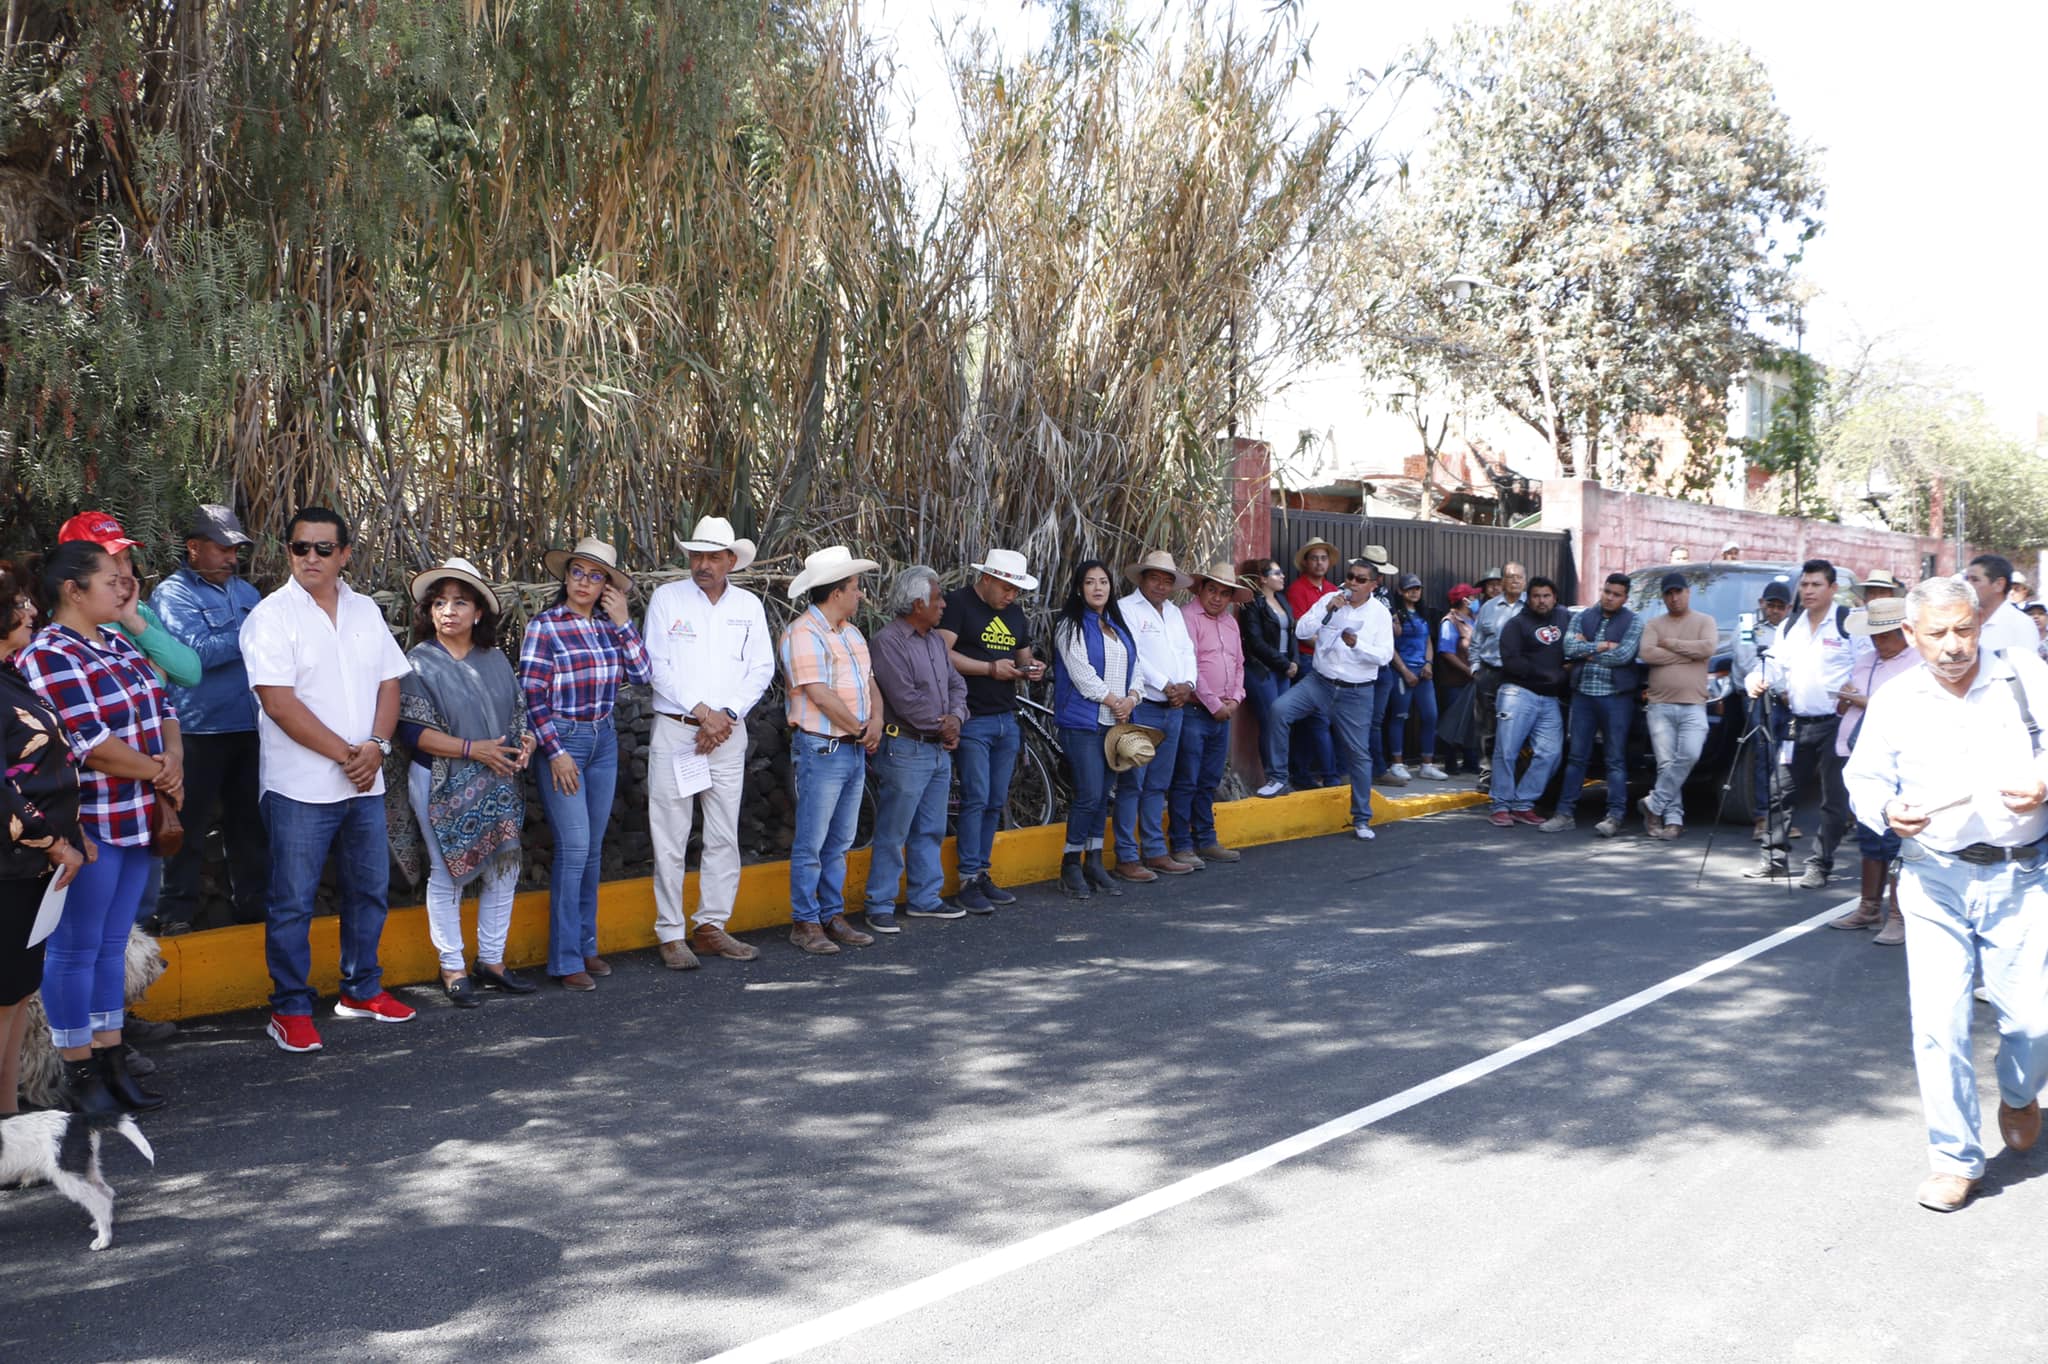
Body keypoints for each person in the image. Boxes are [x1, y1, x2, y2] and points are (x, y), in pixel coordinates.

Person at [1842, 575, 2048, 1213]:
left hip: (2023, 876)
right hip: (1933, 879)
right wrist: (1886, 809)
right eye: (1938, 634)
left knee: (2034, 1024)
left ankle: (2019, 1094)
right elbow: (1864, 775)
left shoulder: (2025, 677)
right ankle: (1955, 1159)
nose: (1954, 645)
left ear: (1980, 625)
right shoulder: (1897, 698)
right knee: (1939, 1025)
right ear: (1911, 635)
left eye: (1965, 629)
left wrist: (2044, 781)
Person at [239, 506, 415, 1050]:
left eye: (322, 548)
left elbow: (391, 684)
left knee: (369, 890)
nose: (309, 557)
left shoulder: (365, 611)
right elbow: (279, 703)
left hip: (364, 781)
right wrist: (349, 754)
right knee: (292, 901)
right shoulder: (270, 617)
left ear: (344, 554)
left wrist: (378, 748)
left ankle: (362, 988)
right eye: (299, 547)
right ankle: (289, 1008)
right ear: (287, 551)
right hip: (300, 787)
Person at [18, 541, 178, 1108]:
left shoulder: (115, 643)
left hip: (137, 817)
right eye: (112, 579)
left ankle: (110, 1056)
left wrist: (171, 761)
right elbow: (90, 745)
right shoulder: (49, 655)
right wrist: (161, 774)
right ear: (73, 590)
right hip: (92, 820)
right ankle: (79, 1069)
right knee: (75, 947)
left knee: (111, 944)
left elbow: (163, 706)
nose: (124, 586)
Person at [395, 559, 537, 1008]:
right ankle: (452, 965)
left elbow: (517, 717)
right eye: (439, 603)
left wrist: (526, 744)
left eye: (459, 602)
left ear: (478, 612)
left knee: (504, 869)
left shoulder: (494, 660)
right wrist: (472, 749)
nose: (448, 611)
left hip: (498, 777)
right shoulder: (418, 663)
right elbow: (413, 732)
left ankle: (492, 961)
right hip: (440, 779)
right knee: (447, 872)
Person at [521, 537, 651, 990]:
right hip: (565, 739)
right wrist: (554, 752)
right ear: (566, 576)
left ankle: (586, 943)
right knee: (575, 848)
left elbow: (642, 675)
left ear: (608, 587)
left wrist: (624, 622)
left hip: (603, 738)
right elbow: (532, 694)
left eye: (597, 576)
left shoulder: (608, 626)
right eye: (578, 572)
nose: (585, 582)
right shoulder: (546, 626)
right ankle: (565, 957)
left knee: (592, 850)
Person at [643, 516, 773, 967]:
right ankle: (670, 932)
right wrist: (703, 713)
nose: (702, 564)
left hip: (727, 735)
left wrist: (727, 715)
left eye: (712, 556)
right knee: (670, 833)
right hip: (679, 728)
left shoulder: (749, 606)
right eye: (696, 555)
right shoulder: (667, 599)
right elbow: (656, 664)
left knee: (723, 834)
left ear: (731, 561)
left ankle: (712, 925)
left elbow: (761, 668)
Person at [147, 505, 268, 935]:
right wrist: (253, 633)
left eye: (235, 549)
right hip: (196, 731)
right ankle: (175, 914)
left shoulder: (247, 593)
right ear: (194, 548)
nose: (231, 557)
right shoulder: (171, 594)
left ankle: (254, 909)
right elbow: (196, 654)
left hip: (249, 726)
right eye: (222, 548)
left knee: (249, 826)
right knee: (188, 826)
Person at [1, 562, 92, 1114]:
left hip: (29, 867)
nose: (30, 609)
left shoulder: (11, 673)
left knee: (12, 998)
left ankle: (8, 1121)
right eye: (17, 602)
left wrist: (72, 836)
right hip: (10, 864)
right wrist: (52, 841)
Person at [780, 546, 883, 953]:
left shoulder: (852, 634)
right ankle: (806, 921)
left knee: (839, 840)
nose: (860, 595)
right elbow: (819, 695)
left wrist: (873, 723)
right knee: (813, 840)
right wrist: (861, 728)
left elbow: (869, 683)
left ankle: (829, 913)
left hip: (850, 746)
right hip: (823, 748)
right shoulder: (803, 633)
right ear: (836, 592)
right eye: (856, 588)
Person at [938, 549, 1043, 913]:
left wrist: (1031, 668)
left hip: (1005, 715)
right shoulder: (957, 604)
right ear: (986, 578)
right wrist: (988, 669)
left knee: (995, 799)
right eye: (1006, 587)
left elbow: (1022, 655)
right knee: (976, 796)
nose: (1012, 596)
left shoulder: (1014, 613)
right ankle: (967, 877)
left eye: (1016, 590)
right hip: (971, 716)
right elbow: (941, 651)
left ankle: (981, 872)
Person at [1258, 558, 1392, 841]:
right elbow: (1302, 630)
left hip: (1356, 691)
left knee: (1359, 755)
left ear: (1373, 584)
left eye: (1360, 579)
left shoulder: (1379, 613)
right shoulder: (1331, 599)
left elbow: (1384, 656)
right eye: (1350, 577)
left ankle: (1362, 818)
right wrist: (1328, 610)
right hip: (1319, 682)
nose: (1352, 584)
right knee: (1279, 709)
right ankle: (1278, 777)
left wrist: (1359, 645)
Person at [866, 566, 968, 929]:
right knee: (894, 831)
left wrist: (955, 718)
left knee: (931, 829)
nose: (943, 605)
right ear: (916, 602)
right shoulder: (888, 642)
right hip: (907, 748)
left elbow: (957, 685)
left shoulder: (936, 641)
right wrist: (945, 727)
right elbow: (904, 699)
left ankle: (925, 898)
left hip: (937, 750)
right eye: (938, 598)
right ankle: (879, 902)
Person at [1745, 559, 1854, 886]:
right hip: (1797, 723)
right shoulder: (1789, 626)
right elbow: (1773, 666)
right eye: (1804, 585)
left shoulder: (1847, 623)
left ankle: (1820, 864)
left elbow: (1865, 668)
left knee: (1833, 799)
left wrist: (1856, 694)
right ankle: (1773, 858)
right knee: (1780, 790)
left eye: (1816, 585)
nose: (1808, 591)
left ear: (1832, 589)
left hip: (1837, 724)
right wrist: (1756, 678)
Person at [1825, 597, 1919, 943]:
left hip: (1900, 758)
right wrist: (1845, 697)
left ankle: (1897, 914)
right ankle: (1868, 908)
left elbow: (1907, 708)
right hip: (1860, 753)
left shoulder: (1917, 663)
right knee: (1869, 833)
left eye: (1886, 636)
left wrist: (1864, 701)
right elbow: (1842, 706)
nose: (1879, 642)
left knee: (1895, 839)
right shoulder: (1866, 661)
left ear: (1903, 632)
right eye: (1876, 636)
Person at [1051, 561, 1144, 896]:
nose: (1097, 588)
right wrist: (1113, 700)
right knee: (1089, 794)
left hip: (1114, 726)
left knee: (1102, 796)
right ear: (1079, 588)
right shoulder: (1070, 626)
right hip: (1083, 724)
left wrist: (1132, 698)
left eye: (1103, 581)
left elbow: (1137, 667)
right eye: (1089, 582)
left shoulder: (1116, 625)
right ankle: (1070, 864)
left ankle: (1093, 861)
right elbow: (1081, 673)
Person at [1118, 551, 1200, 876]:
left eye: (1168, 580)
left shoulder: (1175, 614)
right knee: (1132, 783)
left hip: (1174, 708)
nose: (1162, 586)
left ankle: (1154, 851)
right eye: (1156, 578)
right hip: (1143, 706)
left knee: (1157, 784)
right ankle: (1126, 856)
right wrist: (1166, 684)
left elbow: (1186, 651)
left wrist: (1188, 684)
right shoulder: (1126, 609)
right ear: (1142, 578)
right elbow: (1132, 654)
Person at [56, 511, 203, 691]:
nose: (125, 571)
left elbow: (191, 673)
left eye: (126, 559)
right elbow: (117, 698)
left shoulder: (136, 610)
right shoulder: (66, 623)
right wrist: (157, 678)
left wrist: (134, 622)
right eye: (111, 561)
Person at [1542, 573, 1642, 836]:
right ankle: (1565, 813)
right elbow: (1569, 648)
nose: (1609, 597)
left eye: (1616, 594)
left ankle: (1614, 816)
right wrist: (1604, 646)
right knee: (1576, 758)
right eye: (1607, 591)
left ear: (1625, 597)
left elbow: (1623, 655)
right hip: (1583, 695)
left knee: (1615, 759)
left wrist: (1588, 651)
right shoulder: (1583, 616)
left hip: (1615, 698)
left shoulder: (1634, 621)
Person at [1169, 564, 1249, 868]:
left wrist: (1236, 699)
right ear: (1201, 589)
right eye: (1212, 590)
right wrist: (1215, 703)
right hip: (1195, 711)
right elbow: (1190, 667)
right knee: (1186, 780)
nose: (1217, 597)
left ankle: (1206, 839)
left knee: (1208, 780)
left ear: (1230, 597)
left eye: (1224, 592)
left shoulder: (1231, 623)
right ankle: (1181, 844)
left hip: (1224, 712)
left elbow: (1240, 664)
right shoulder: (1187, 618)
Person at [1635, 573, 1718, 840]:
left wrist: (1671, 645)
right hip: (1660, 705)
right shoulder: (1654, 624)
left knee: (1690, 754)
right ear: (1663, 596)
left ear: (1688, 592)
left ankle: (1654, 803)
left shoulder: (1705, 621)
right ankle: (1672, 819)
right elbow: (1647, 654)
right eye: (1669, 593)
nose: (1674, 598)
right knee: (1665, 763)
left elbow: (1707, 648)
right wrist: (1686, 654)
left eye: (1678, 592)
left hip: (1694, 704)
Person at [1490, 576, 1568, 828]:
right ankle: (1500, 806)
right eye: (1536, 596)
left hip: (1550, 699)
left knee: (1551, 753)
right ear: (1528, 598)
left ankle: (1523, 804)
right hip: (1517, 694)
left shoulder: (1565, 619)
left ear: (1554, 597)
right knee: (1507, 752)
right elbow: (1512, 661)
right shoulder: (1516, 624)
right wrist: (1550, 673)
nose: (1541, 601)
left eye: (1546, 596)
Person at [1731, 580, 1794, 840]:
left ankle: (1782, 818)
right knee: (1764, 752)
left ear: (1788, 608)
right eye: (1771, 605)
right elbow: (1748, 664)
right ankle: (1761, 815)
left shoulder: (1793, 629)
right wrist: (1779, 688)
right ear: (1761, 604)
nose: (1775, 611)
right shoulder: (1748, 625)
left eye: (1780, 607)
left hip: (1787, 700)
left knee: (1786, 759)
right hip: (1760, 696)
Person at [1285, 538, 1342, 788]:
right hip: (1308, 659)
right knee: (1317, 719)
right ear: (1305, 563)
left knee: (1318, 720)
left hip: (1332, 663)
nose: (1319, 562)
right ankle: (1330, 777)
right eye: (1314, 558)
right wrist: (1326, 642)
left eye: (1323, 558)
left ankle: (1304, 774)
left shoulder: (1333, 589)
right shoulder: (1297, 589)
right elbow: (1300, 628)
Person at [1236, 557, 1297, 790]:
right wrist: (1284, 664)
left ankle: (1281, 776)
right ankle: (1274, 778)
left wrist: (1294, 662)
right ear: (1262, 578)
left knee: (1283, 723)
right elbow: (1256, 642)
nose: (1282, 576)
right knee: (1271, 723)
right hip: (1262, 670)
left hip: (1284, 670)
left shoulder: (1282, 599)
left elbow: (1292, 633)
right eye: (1276, 573)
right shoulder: (1253, 604)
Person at [1383, 573, 1447, 782]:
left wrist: (1429, 663)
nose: (1414, 592)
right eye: (1410, 588)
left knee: (1431, 716)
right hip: (1402, 672)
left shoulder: (1424, 613)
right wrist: (1405, 671)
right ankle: (1397, 763)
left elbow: (1428, 641)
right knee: (1399, 716)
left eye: (1418, 588)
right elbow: (1389, 647)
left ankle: (1427, 765)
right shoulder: (1395, 614)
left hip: (1423, 672)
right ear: (1400, 591)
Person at [1469, 561, 1526, 788]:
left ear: (1524, 581)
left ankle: (1514, 774)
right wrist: (1475, 668)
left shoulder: (1531, 608)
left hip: (1519, 676)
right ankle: (1486, 774)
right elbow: (1476, 641)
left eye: (1518, 577)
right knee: (1487, 728)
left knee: (1517, 726)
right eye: (1510, 577)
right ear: (1502, 581)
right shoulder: (1488, 608)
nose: (1514, 581)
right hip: (1490, 673)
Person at [1432, 584, 1479, 775]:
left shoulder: (1473, 620)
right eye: (1472, 598)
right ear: (1465, 600)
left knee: (1470, 723)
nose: (1476, 601)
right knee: (1451, 722)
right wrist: (1468, 670)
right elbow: (1446, 652)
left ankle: (1470, 761)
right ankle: (1450, 763)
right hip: (1455, 682)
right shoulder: (1450, 622)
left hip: (1471, 681)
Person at [1964, 554, 2037, 661]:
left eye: (1975, 580)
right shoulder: (1964, 621)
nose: (1967, 585)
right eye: (1966, 579)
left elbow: (2028, 671)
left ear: (1999, 584)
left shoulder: (2021, 624)